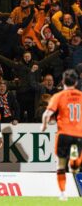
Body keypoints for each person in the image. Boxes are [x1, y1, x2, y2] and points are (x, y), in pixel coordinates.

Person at [41, 69, 82, 201]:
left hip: (63, 134)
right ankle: (74, 162)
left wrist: (44, 126)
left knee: (60, 164)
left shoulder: (58, 96)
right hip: (78, 135)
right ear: (76, 82)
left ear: (63, 81)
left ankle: (63, 193)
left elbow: (46, 114)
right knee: (74, 166)